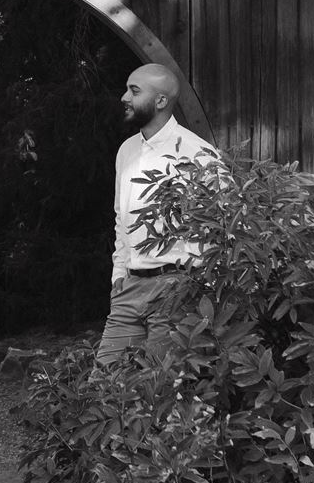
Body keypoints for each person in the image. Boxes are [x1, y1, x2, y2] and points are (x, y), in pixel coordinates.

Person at [96, 61, 225, 368]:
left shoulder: (198, 154)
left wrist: (193, 289)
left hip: (175, 292)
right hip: (129, 288)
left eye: (134, 90)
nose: (124, 97)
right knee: (104, 384)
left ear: (161, 101)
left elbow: (221, 227)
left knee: (157, 388)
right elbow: (121, 218)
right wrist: (118, 276)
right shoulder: (126, 151)